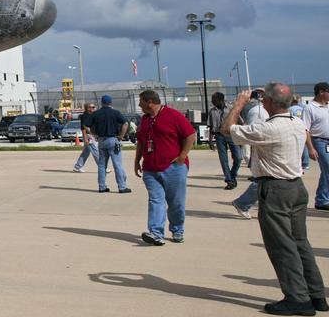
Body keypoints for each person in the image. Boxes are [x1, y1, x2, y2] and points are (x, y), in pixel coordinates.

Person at [223, 82, 325, 315]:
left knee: (281, 245)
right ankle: (316, 293)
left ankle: (297, 298)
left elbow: (227, 129)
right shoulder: (297, 123)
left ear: (268, 102)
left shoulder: (268, 128)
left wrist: (238, 105)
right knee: (300, 242)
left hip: (276, 188)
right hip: (296, 186)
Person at [134, 90, 196, 245]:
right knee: (156, 200)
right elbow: (141, 141)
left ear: (149, 102)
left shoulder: (173, 115)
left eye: (141, 101)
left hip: (173, 167)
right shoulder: (145, 119)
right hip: (150, 168)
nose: (139, 104)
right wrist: (137, 160)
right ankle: (156, 233)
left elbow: (190, 135)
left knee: (176, 202)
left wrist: (182, 156)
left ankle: (177, 229)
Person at [232, 88, 271, 219]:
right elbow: (255, 132)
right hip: (262, 148)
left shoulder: (256, 108)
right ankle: (243, 203)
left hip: (264, 147)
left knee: (266, 179)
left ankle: (244, 203)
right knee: (265, 179)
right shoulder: (257, 110)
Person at [90, 95, 131, 194]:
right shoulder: (115, 113)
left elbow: (88, 125)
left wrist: (94, 134)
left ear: (101, 102)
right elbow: (125, 123)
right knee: (117, 164)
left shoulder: (96, 114)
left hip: (101, 140)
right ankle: (122, 187)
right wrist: (121, 136)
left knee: (102, 165)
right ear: (110, 102)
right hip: (112, 139)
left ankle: (102, 187)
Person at [303, 82, 329, 211]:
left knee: (326, 171)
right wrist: (310, 148)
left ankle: (321, 199)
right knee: (328, 168)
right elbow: (305, 129)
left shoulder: (327, 106)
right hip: (320, 141)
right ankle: (322, 199)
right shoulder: (310, 108)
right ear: (321, 92)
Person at [209, 92, 242, 189]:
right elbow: (211, 127)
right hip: (219, 136)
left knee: (238, 158)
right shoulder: (212, 111)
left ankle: (232, 175)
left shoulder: (231, 108)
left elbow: (240, 121)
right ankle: (229, 180)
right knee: (224, 160)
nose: (212, 102)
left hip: (231, 134)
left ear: (221, 100)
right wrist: (210, 141)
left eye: (214, 100)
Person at [72, 103, 98, 172]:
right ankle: (103, 167)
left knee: (86, 152)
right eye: (91, 107)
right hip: (88, 136)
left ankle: (77, 167)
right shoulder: (85, 116)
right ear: (87, 108)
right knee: (96, 151)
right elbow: (83, 128)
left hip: (92, 135)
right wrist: (85, 138)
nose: (93, 108)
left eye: (94, 107)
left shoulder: (92, 115)